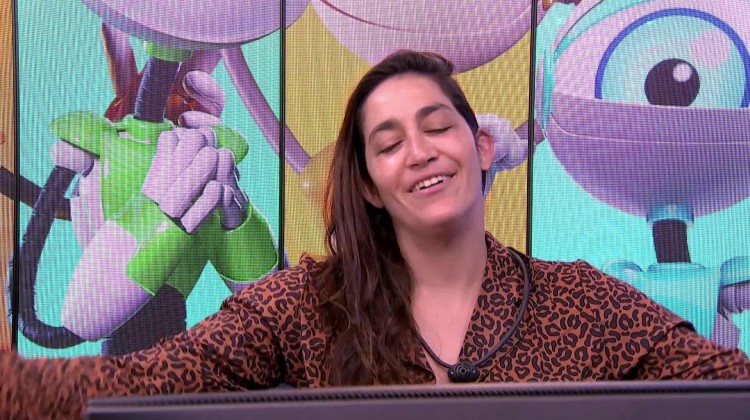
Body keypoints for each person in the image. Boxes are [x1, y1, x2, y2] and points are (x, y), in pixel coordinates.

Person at [2, 49, 749, 419]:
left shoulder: (579, 301)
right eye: (388, 143)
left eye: (437, 127)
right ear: (366, 183)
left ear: (482, 147)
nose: (419, 152)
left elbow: (720, 381)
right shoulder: (304, 306)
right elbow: (148, 382)